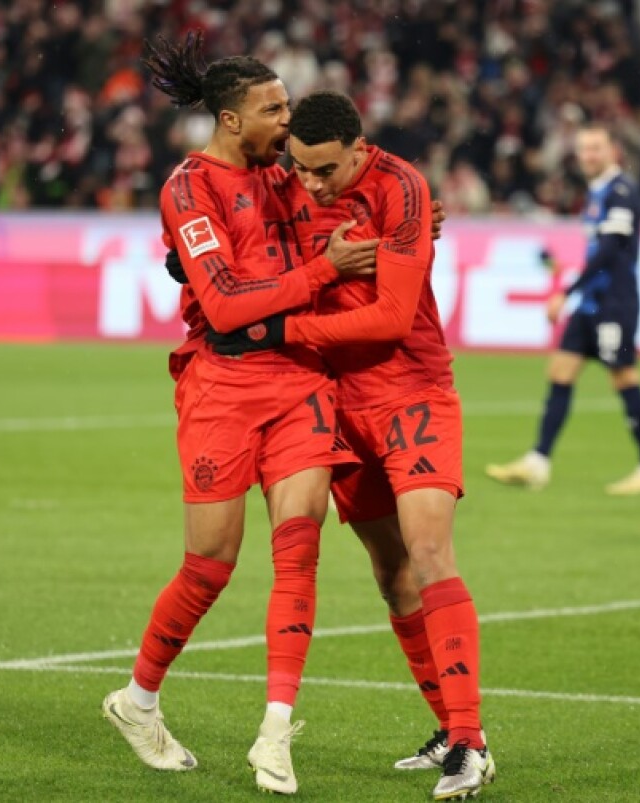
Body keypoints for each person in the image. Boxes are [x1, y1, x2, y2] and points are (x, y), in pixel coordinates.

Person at [99, 33, 380, 796]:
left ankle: (276, 731)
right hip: (221, 384)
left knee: (299, 550)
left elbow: (355, 184)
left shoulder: (285, 175)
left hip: (300, 381)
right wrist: (322, 270)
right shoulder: (190, 189)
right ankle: (137, 701)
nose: (288, 120)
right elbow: (222, 303)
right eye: (274, 110)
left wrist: (412, 212)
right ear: (231, 120)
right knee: (210, 565)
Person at [207, 90, 493, 801]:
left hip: (412, 391)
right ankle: (450, 729)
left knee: (429, 551)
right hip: (336, 403)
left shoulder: (401, 188)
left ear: (359, 149)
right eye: (300, 168)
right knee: (392, 573)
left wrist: (285, 330)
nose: (310, 183)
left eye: (325, 170)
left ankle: (470, 741)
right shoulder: (286, 181)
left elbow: (393, 317)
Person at [485, 122, 640, 495]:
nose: (589, 155)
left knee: (624, 377)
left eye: (596, 147)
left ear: (613, 150)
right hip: (591, 303)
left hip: (615, 303)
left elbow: (610, 251)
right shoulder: (596, 192)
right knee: (560, 370)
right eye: (583, 149)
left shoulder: (621, 191)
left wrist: (567, 291)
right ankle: (538, 462)